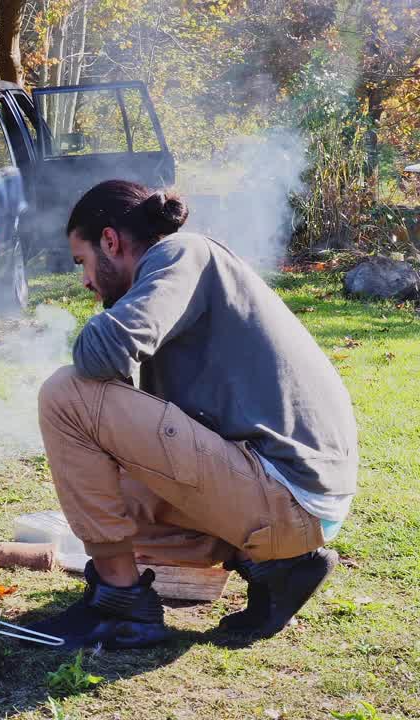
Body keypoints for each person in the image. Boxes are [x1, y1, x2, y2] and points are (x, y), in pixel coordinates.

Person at [28, 180, 357, 649]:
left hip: (289, 499)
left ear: (109, 240)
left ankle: (121, 607)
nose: (84, 281)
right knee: (106, 503)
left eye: (82, 262)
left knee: (65, 393)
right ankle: (275, 566)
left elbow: (101, 351)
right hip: (294, 503)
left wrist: (109, 317)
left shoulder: (181, 254)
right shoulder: (182, 271)